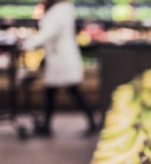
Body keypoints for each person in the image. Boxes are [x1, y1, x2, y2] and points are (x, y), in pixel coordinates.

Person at [23, 0, 96, 136]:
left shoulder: (61, 9)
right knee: (52, 92)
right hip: (57, 57)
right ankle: (47, 126)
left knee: (72, 91)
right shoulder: (57, 9)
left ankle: (92, 122)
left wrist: (29, 43)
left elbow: (50, 33)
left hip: (63, 58)